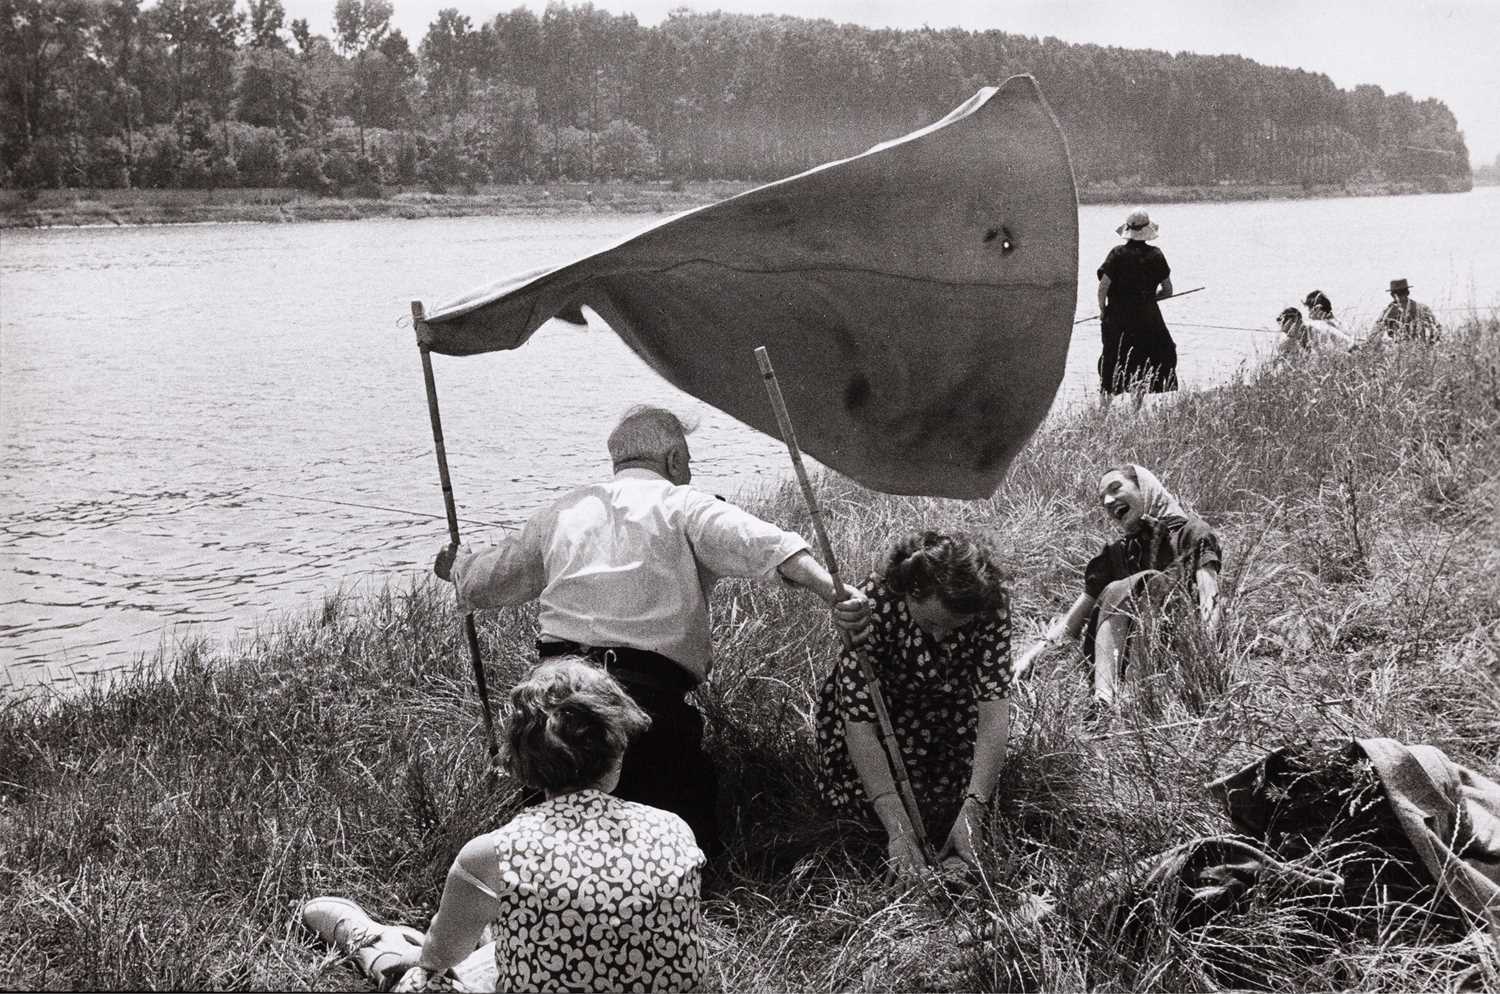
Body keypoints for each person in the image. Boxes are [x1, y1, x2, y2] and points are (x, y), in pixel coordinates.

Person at [433, 404, 868, 858]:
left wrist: (456, 568)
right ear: (675, 460)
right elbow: (768, 546)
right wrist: (833, 591)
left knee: (550, 837)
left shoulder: (562, 510)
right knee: (685, 842)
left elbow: (489, 580)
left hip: (554, 699)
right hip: (645, 704)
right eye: (688, 462)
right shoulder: (686, 504)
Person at [302, 658, 706, 993]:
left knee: (423, 981)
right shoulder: (673, 829)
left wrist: (424, 956)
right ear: (618, 749)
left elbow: (438, 958)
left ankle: (376, 948)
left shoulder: (493, 853)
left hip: (481, 951)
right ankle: (485, 935)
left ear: (523, 762)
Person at [813, 530, 1013, 881]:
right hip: (887, 714)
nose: (939, 637)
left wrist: (973, 810)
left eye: (955, 627)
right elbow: (860, 722)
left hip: (951, 713)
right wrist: (898, 828)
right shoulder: (872, 601)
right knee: (858, 806)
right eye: (931, 623)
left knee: (957, 800)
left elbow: (993, 714)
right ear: (910, 593)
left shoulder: (990, 606)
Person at [1014, 465, 1222, 720]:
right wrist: (1029, 658)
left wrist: (1206, 660)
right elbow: (1072, 623)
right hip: (1121, 661)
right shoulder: (1116, 554)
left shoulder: (1192, 532)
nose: (1109, 502)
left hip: (1176, 652)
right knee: (1119, 586)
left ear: (1144, 488)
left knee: (1148, 581)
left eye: (1116, 488)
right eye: (1103, 500)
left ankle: (1128, 699)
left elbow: (1209, 599)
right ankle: (1104, 703)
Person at [1096, 208, 1178, 409]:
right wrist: (1149, 299)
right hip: (1148, 318)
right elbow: (1168, 290)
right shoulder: (1156, 255)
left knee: (1112, 360)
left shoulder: (1116, 253)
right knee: (1143, 361)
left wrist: (1102, 310)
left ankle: (1103, 412)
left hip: (1117, 318)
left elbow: (1103, 286)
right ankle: (1135, 410)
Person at [1372, 278, 1442, 343]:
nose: (1400, 296)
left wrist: (1430, 345)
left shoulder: (1421, 308)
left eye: (1401, 293)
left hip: (1412, 351)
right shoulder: (1387, 312)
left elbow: (1436, 329)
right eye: (1398, 293)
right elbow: (1375, 335)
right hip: (1402, 352)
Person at [1276, 306, 1358, 356]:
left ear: (1296, 320)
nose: (1283, 327)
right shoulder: (1288, 342)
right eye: (1281, 324)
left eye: (1285, 322)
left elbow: (1351, 344)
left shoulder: (1319, 329)